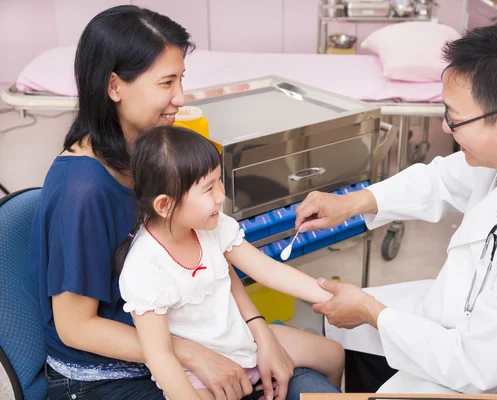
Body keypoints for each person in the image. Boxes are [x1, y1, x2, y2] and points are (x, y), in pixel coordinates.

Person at [29, 5, 340, 399]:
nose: (180, 97)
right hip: (105, 373)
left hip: (180, 331)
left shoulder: (151, 156)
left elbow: (212, 257)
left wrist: (259, 329)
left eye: (181, 80)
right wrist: (192, 354)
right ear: (114, 87)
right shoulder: (83, 190)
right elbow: (75, 327)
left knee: (323, 362)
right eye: (166, 83)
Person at [294, 23, 497, 394]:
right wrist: (350, 203)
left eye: (454, 117)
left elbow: (477, 365)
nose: (444, 125)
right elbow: (442, 179)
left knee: (370, 330)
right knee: (355, 335)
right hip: (475, 315)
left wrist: (373, 313)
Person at [115, 126, 344, 400]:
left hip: (242, 339)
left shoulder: (211, 225)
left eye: (219, 181)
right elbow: (161, 357)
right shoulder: (144, 267)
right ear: (165, 206)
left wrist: (333, 296)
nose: (220, 196)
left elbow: (267, 269)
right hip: (200, 374)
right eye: (208, 188)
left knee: (334, 354)